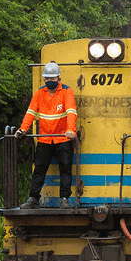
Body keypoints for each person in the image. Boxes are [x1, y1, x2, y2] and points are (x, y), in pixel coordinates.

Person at [15, 61, 78, 209]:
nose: (50, 81)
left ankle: (64, 199)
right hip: (44, 138)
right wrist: (23, 129)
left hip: (62, 138)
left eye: (53, 78)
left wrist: (71, 131)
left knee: (65, 169)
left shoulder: (66, 92)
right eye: (47, 79)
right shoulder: (39, 93)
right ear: (44, 79)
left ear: (58, 79)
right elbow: (31, 112)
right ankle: (33, 198)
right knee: (39, 169)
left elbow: (71, 112)